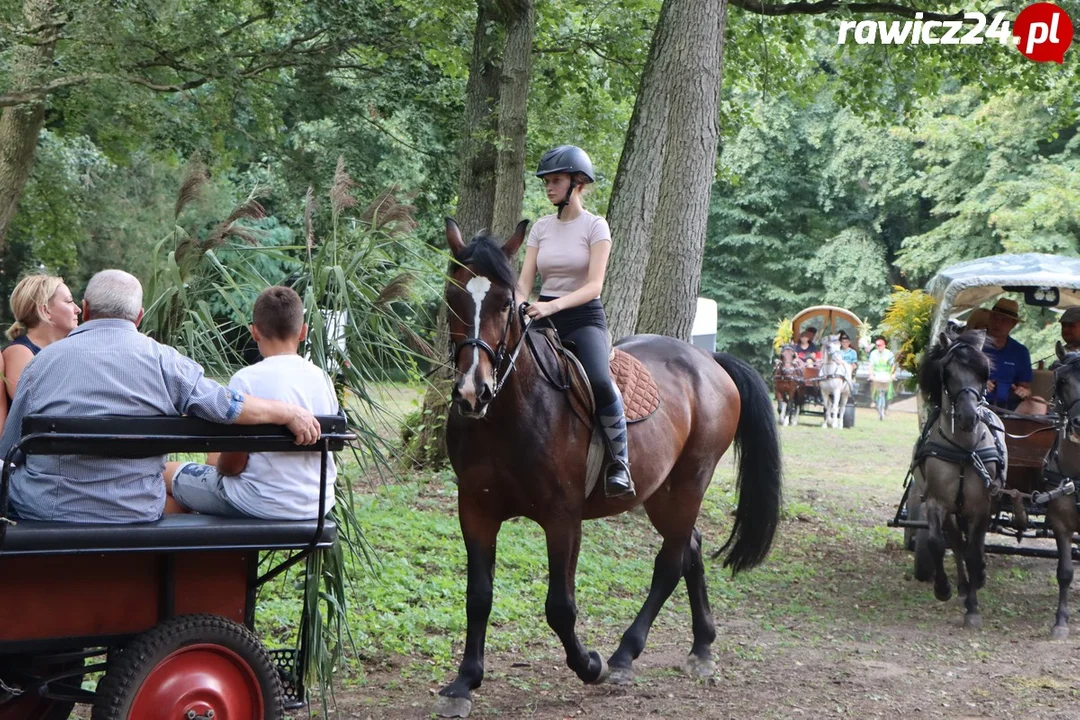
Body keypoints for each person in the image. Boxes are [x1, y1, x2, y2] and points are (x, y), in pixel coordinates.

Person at [0, 269, 322, 524]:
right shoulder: (165, 361)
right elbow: (226, 406)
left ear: (85, 309)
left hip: (45, 509)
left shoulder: (40, 364)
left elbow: (10, 451)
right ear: (139, 316)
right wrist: (288, 413)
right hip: (136, 509)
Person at [515, 144, 632, 498]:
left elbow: (595, 285)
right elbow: (523, 284)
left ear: (577, 183)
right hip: (540, 315)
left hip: (583, 316)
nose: (549, 187)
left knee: (598, 378)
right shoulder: (541, 228)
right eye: (546, 182)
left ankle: (619, 462)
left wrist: (551, 307)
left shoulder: (596, 226)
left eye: (556, 181)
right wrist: (522, 305)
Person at [163, 286, 339, 520]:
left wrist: (216, 460)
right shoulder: (323, 379)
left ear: (254, 332)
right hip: (317, 504)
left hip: (257, 502)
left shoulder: (246, 380)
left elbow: (231, 467)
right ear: (303, 332)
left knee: (162, 472)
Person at [3, 274, 81, 401]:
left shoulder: (66, 352)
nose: (77, 309)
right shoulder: (19, 352)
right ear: (45, 311)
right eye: (69, 301)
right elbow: (32, 405)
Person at [983, 298, 1032, 410]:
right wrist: (978, 383)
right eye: (995, 317)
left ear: (1013, 324)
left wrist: (1024, 391)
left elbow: (1026, 387)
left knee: (1039, 404)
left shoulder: (1020, 352)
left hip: (1010, 408)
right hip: (976, 404)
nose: (998, 323)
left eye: (1004, 320)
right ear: (989, 318)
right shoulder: (974, 344)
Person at [868, 335, 896, 418]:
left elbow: (893, 365)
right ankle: (873, 400)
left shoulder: (889, 353)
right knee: (873, 386)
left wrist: (893, 374)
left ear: (884, 345)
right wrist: (870, 374)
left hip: (886, 374)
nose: (878, 347)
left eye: (880, 346)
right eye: (877, 346)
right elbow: (871, 365)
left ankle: (887, 406)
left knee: (889, 389)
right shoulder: (873, 353)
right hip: (877, 374)